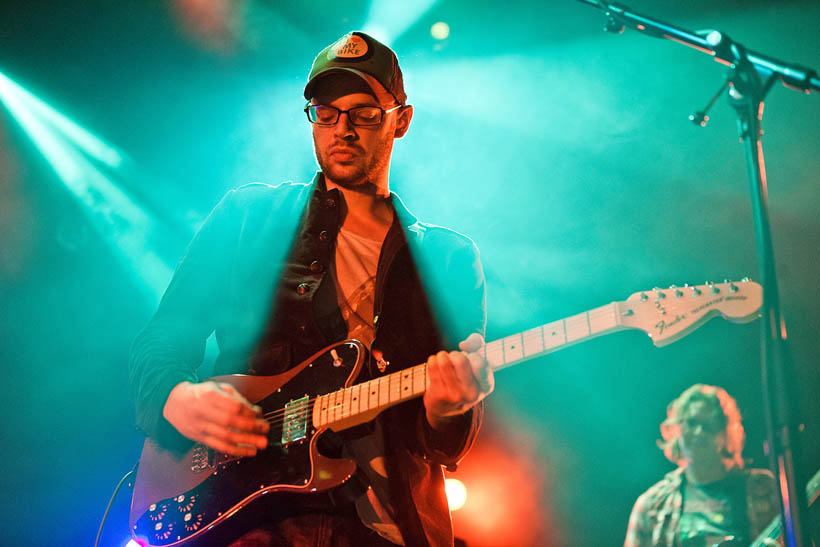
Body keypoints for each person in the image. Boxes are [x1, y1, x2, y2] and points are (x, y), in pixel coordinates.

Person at [129, 31, 493, 546]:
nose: (342, 128)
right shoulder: (247, 216)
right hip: (249, 518)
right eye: (326, 112)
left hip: (383, 528)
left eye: (364, 112)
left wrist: (448, 410)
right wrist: (176, 397)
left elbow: (444, 437)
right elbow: (165, 335)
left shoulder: (449, 259)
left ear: (401, 120)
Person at [624, 384, 780, 547]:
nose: (699, 432)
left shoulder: (764, 487)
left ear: (725, 430)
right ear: (676, 428)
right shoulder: (652, 505)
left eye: (709, 425)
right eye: (691, 423)